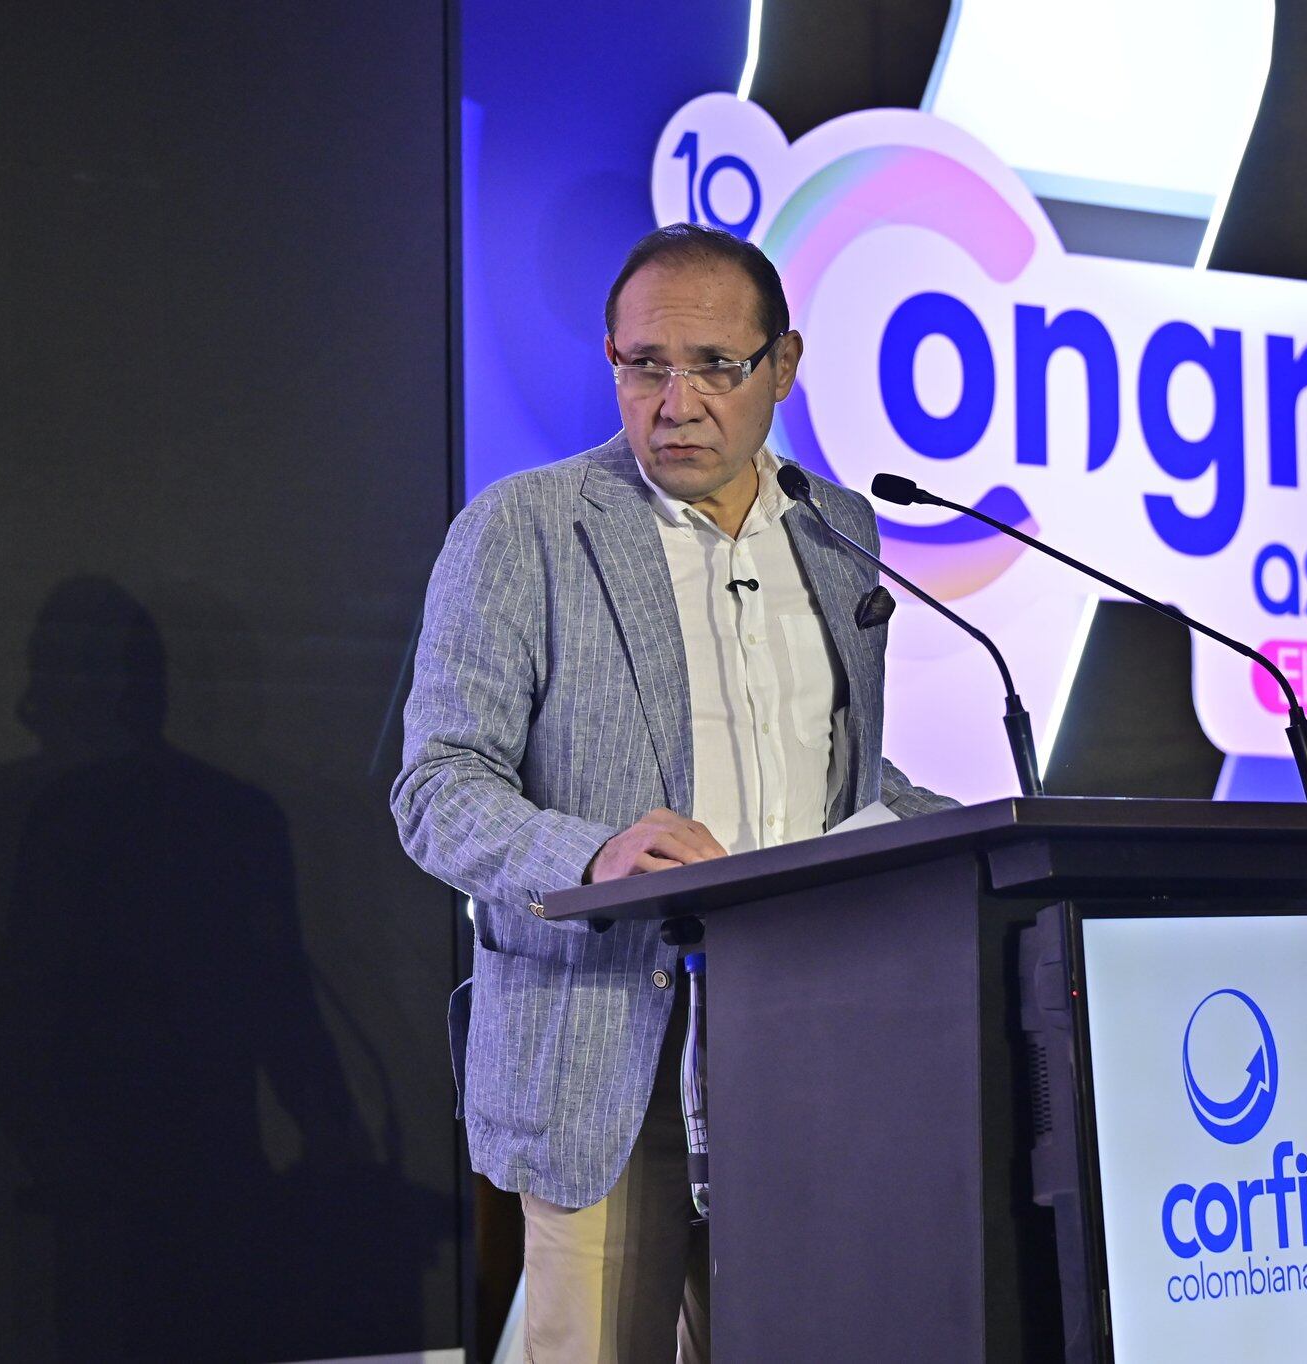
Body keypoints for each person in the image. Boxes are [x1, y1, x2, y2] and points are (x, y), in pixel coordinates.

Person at [392, 222, 954, 1362]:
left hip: (807, 1048)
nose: (675, 398)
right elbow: (438, 786)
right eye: (643, 364)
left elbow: (847, 775)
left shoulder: (841, 531)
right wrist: (591, 853)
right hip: (610, 1054)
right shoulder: (527, 528)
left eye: (713, 365)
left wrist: (981, 838)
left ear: (782, 366)